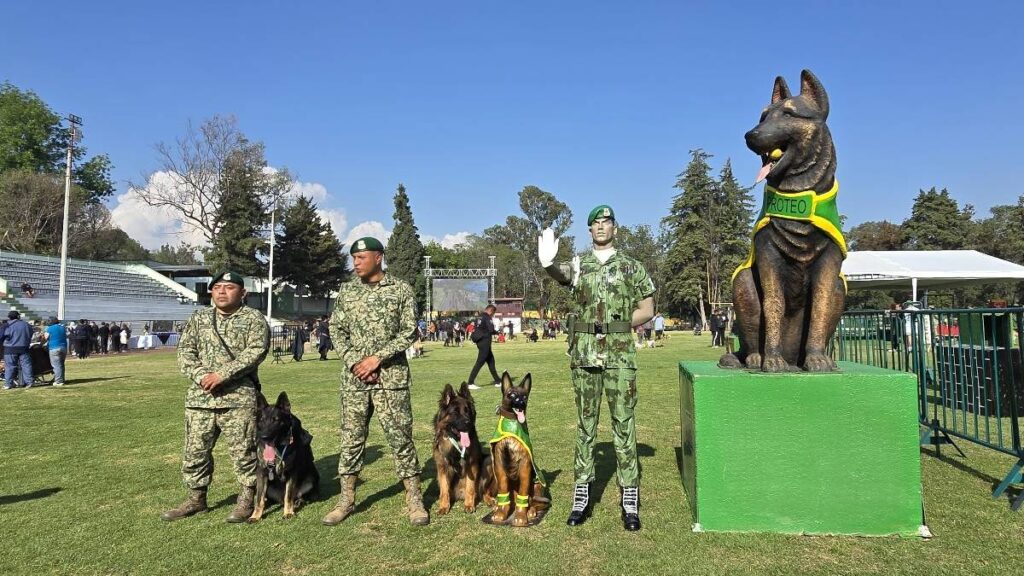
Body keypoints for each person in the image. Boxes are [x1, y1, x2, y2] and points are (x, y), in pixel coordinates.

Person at [539, 204, 655, 531]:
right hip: (585, 355)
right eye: (595, 223)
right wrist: (548, 263)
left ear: (615, 228)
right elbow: (560, 274)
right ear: (589, 231)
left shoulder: (631, 266)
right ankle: (582, 492)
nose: (601, 227)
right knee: (586, 424)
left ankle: (629, 495)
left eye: (606, 222)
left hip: (619, 357)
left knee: (623, 422)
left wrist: (617, 326)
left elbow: (647, 307)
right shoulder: (579, 265)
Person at [322, 237, 429, 527]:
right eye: (353, 258)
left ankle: (414, 499)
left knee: (401, 438)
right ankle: (346, 500)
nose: (355, 263)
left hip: (390, 379)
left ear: (378, 258)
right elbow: (337, 330)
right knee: (351, 439)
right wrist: (357, 363)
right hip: (354, 381)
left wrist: (377, 359)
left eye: (361, 257)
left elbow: (409, 330)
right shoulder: (346, 292)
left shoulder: (400, 290)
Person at [161, 271, 270, 523]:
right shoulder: (199, 318)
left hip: (238, 398)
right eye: (217, 287)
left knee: (244, 451)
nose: (221, 291)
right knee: (194, 451)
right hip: (201, 398)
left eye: (229, 287)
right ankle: (196, 499)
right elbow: (185, 351)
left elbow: (256, 351)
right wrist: (201, 376)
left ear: (242, 293)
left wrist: (222, 374)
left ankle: (246, 499)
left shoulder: (254, 319)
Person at [465, 304, 503, 390]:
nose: (493, 315)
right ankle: (470, 383)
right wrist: (497, 332)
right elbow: (490, 329)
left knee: (491, 361)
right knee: (480, 362)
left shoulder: (479, 317)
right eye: (493, 313)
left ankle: (498, 381)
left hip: (480, 341)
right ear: (491, 311)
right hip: (484, 341)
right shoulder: (487, 317)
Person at [3, 311, 35, 389]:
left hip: (10, 348)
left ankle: (8, 384)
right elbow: (31, 334)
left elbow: (2, 336)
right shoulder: (26, 324)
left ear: (9, 317)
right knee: (26, 365)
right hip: (24, 347)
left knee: (10, 366)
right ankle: (29, 382)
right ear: (18, 317)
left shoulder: (7, 325)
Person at [43, 317, 67, 386]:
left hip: (54, 347)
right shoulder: (62, 327)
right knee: (61, 364)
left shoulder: (49, 328)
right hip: (63, 347)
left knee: (56, 365)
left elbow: (45, 338)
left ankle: (59, 381)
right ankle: (62, 379)